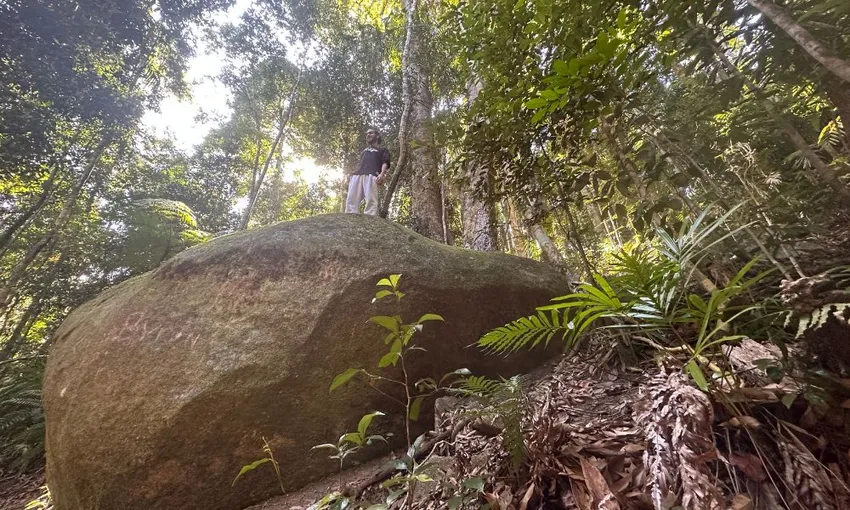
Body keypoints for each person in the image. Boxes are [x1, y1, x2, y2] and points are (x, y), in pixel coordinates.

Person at [345, 128, 390, 215]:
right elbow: (360, 164)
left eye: (371, 133)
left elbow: (385, 162)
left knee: (371, 200)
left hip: (371, 175)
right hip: (357, 175)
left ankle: (370, 219)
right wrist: (351, 175)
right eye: (367, 134)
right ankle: (350, 219)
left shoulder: (382, 150)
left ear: (377, 136)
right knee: (351, 200)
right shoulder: (364, 151)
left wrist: (381, 174)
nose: (368, 135)